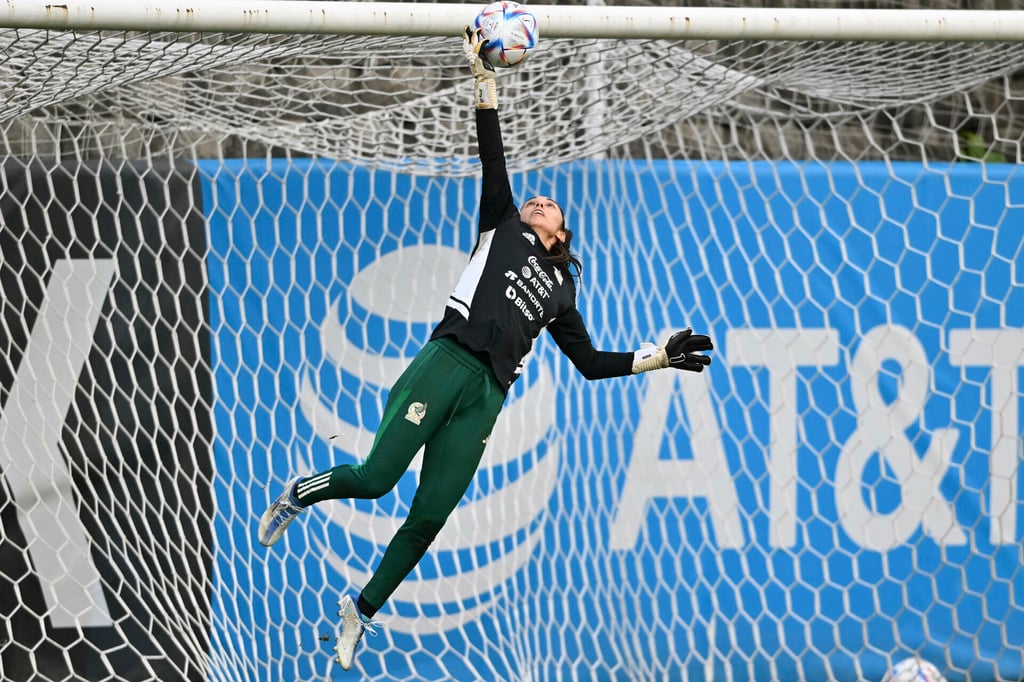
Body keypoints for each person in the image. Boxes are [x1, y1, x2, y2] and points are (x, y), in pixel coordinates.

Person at [257, 27, 714, 672]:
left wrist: (658, 356)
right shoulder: (500, 224)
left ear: (562, 234)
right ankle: (298, 496)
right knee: (376, 479)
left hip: (487, 399)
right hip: (445, 363)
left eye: (550, 206)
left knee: (429, 518)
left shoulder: (561, 291)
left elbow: (588, 364)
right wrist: (485, 79)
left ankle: (360, 611)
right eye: (536, 200)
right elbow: (492, 155)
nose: (539, 201)